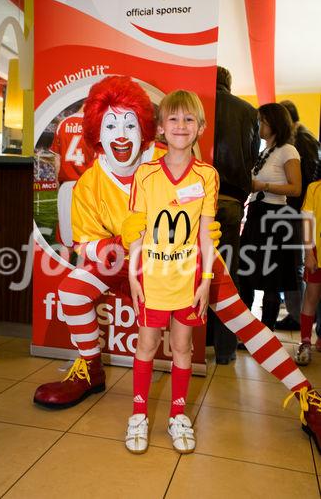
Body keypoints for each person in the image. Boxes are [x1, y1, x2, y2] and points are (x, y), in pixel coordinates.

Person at [33, 75, 321, 454]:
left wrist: (204, 235)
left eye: (129, 123)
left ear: (146, 127)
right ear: (97, 131)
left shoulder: (166, 157)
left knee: (242, 321)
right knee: (72, 290)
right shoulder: (90, 184)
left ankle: (305, 395)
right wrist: (124, 248)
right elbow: (87, 245)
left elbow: (199, 204)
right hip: (130, 260)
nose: (121, 134)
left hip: (191, 261)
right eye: (111, 124)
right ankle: (91, 368)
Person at [125, 90, 217, 454]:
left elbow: (207, 236)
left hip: (189, 280)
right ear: (161, 127)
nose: (181, 126)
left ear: (200, 127)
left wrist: (207, 280)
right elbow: (138, 231)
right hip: (151, 279)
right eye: (173, 119)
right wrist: (133, 274)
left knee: (182, 348)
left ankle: (178, 415)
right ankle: (138, 414)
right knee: (146, 346)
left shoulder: (207, 176)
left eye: (189, 119)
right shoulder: (145, 174)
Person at [207, 66, 260, 364]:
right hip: (231, 201)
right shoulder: (249, 111)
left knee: (191, 272)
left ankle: (189, 344)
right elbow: (252, 157)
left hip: (199, 200)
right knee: (229, 276)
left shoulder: (199, 102)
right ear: (229, 83)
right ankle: (225, 352)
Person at [239, 103, 301, 331]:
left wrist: (262, 185)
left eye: (261, 121)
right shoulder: (264, 151)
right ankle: (248, 331)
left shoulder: (288, 150)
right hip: (256, 215)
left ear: (274, 123)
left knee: (271, 280)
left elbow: (295, 188)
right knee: (245, 274)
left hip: (274, 218)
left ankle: (266, 332)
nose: (258, 125)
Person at [275, 100, 321, 331]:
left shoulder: (302, 140)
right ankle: (298, 314)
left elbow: (310, 176)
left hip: (298, 212)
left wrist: (300, 204)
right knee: (294, 265)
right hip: (295, 211)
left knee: (296, 266)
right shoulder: (301, 138)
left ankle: (298, 315)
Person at [50, 104, 96, 247]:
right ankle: (83, 268)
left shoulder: (62, 124)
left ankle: (64, 267)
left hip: (66, 185)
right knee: (89, 237)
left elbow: (57, 161)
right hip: (86, 187)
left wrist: (59, 186)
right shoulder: (93, 126)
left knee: (66, 238)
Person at [294, 176, 321, 365]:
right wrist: (309, 253)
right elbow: (307, 222)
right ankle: (305, 342)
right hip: (317, 254)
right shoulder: (314, 188)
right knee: (311, 297)